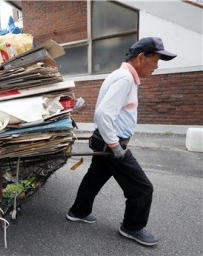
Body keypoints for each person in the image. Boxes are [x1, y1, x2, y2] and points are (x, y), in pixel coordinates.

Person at [66, 37, 177, 246]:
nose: (157, 66)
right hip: (110, 143)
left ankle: (78, 211)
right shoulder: (125, 79)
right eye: (156, 60)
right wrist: (116, 145)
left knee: (94, 178)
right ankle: (132, 227)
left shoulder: (123, 76)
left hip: (105, 139)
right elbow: (103, 114)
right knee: (142, 188)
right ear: (142, 57)